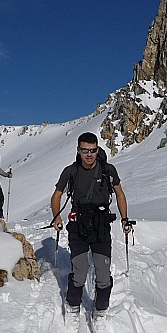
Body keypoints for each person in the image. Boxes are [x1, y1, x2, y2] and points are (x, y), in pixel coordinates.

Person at [50, 132, 131, 318]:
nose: (89, 154)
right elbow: (56, 196)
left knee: (102, 274)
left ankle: (101, 310)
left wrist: (125, 219)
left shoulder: (108, 170)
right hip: (78, 226)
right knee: (80, 270)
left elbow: (120, 194)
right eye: (85, 150)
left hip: (101, 227)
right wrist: (56, 217)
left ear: (97, 150)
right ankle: (72, 305)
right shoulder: (71, 171)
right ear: (78, 150)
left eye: (93, 150)